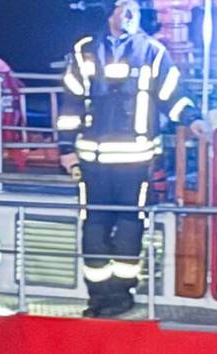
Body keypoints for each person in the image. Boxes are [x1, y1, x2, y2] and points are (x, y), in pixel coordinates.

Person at [59, 0, 187, 318]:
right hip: (94, 162)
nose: (129, 15)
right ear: (110, 13)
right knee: (95, 228)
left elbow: (172, 95)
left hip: (135, 163)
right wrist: (66, 150)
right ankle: (98, 297)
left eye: (135, 9)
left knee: (130, 227)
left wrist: (193, 119)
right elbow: (71, 104)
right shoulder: (85, 51)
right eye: (123, 7)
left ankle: (119, 296)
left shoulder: (153, 52)